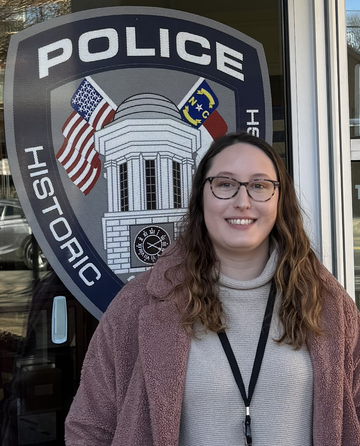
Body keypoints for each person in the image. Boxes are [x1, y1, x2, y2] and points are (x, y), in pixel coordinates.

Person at [65, 132, 360, 446]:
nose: (242, 201)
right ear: (201, 196)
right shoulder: (138, 305)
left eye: (259, 185)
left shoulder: (327, 303)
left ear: (279, 199)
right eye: (225, 184)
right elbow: (90, 428)